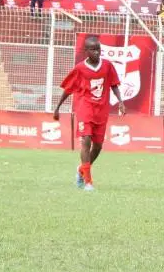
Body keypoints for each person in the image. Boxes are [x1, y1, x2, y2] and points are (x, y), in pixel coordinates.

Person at [53, 35, 125, 192]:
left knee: (98, 146)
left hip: (101, 110)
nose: (97, 52)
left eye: (98, 49)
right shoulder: (80, 68)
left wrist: (121, 101)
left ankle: (81, 170)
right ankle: (88, 182)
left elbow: (114, 85)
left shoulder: (107, 66)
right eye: (93, 50)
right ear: (86, 51)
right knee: (86, 140)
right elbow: (69, 89)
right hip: (85, 108)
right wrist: (57, 107)